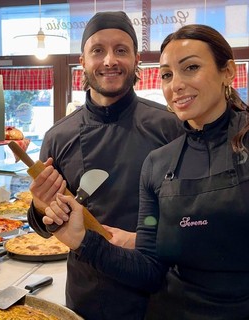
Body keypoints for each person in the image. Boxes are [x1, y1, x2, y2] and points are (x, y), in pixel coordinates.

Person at [44, 24, 249, 320]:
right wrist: (82, 241)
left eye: (191, 67)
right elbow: (151, 271)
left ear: (228, 72)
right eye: (167, 74)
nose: (176, 85)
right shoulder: (159, 163)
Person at [27, 11, 183, 320]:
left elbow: (191, 217)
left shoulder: (170, 127)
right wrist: (42, 208)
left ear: (136, 59)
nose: (110, 60)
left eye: (121, 50)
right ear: (82, 60)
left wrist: (139, 239)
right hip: (87, 293)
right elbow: (48, 229)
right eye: (98, 50)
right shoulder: (58, 136)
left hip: (157, 296)